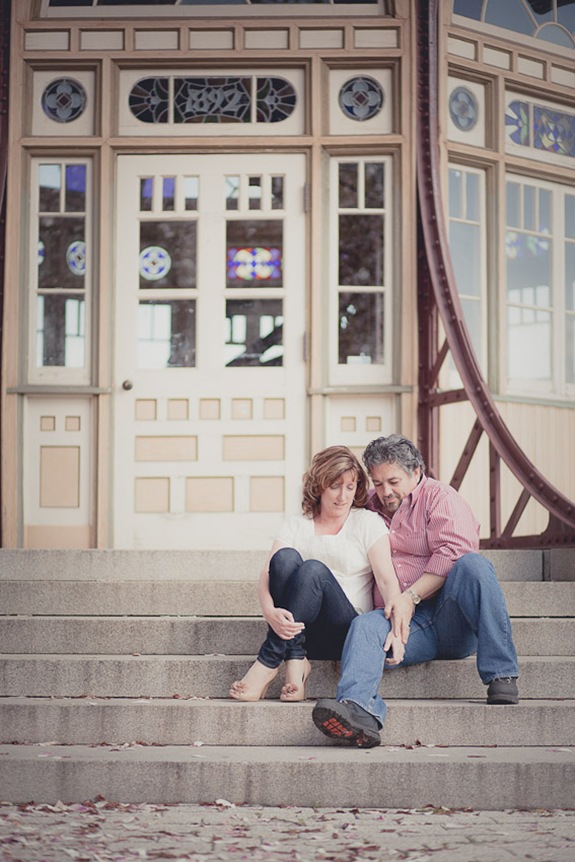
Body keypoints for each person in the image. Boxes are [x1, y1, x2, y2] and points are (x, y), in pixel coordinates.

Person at [312, 434, 520, 748]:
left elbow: (454, 550)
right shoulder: (368, 505)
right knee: (365, 625)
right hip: (405, 627)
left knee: (473, 565)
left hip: (450, 616)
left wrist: (410, 598)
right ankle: (359, 711)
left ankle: (501, 674)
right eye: (378, 483)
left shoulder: (440, 498)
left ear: (415, 471)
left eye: (393, 481)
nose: (385, 492)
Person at [229, 445, 407, 706]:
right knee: (284, 559)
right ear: (319, 485)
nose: (343, 496)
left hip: (344, 630)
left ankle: (268, 661)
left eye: (350, 486)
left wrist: (397, 631)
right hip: (302, 633)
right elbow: (267, 574)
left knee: (313, 570)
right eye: (335, 486)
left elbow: (387, 580)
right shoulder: (297, 524)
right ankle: (295, 661)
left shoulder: (366, 522)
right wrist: (270, 612)